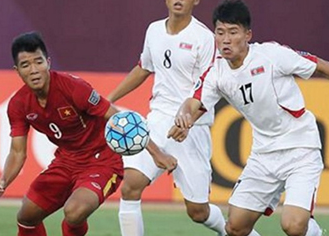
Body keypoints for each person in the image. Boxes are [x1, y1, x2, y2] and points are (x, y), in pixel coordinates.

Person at [169, 1, 329, 236]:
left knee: (293, 226)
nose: (225, 40)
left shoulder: (272, 55)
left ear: (247, 34)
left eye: (233, 32)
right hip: (263, 155)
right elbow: (193, 102)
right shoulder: (217, 72)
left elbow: (322, 68)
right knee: (235, 228)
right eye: (220, 32)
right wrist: (184, 118)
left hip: (300, 148)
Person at [0, 31, 176, 236]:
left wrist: (157, 153)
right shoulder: (18, 105)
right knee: (26, 216)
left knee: (74, 212)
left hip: (102, 161)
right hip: (66, 161)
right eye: (26, 65)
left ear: (48, 62)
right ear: (17, 70)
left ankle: (73, 229)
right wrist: (3, 180)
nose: (34, 70)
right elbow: (17, 152)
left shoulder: (73, 87)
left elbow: (120, 121)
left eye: (38, 62)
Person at [107, 1, 262, 236]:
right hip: (158, 119)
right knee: (130, 186)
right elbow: (143, 67)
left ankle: (237, 232)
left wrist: (188, 120)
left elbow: (211, 87)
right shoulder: (154, 30)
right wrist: (108, 99)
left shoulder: (204, 38)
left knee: (198, 212)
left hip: (193, 127)